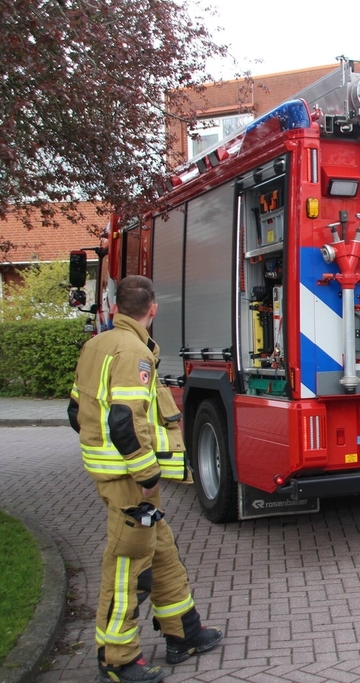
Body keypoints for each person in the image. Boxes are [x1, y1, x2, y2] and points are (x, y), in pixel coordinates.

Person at [68, 275, 222, 683]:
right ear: (152, 309)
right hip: (129, 479)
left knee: (161, 549)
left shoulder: (95, 345)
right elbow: (124, 420)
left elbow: (76, 411)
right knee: (126, 562)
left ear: (117, 306)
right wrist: (146, 473)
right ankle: (117, 659)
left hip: (113, 473)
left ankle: (184, 633)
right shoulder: (133, 351)